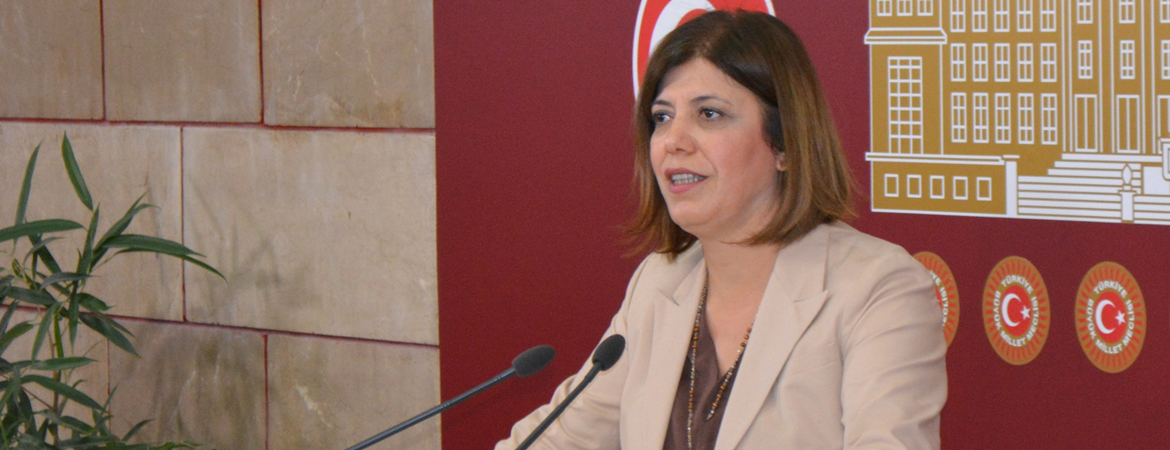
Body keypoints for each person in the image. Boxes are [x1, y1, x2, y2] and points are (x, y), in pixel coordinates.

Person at [496, 10, 946, 450]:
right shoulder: (659, 283)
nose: (674, 141)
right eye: (662, 117)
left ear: (785, 145)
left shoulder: (877, 289)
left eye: (709, 114)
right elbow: (562, 438)